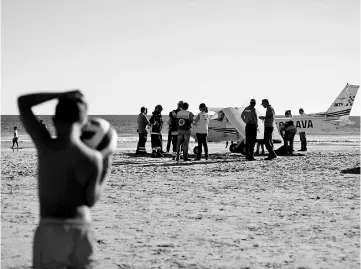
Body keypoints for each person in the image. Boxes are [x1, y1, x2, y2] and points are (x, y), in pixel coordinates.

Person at [18, 90, 114, 268]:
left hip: (51, 229)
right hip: (82, 228)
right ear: (84, 122)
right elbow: (90, 200)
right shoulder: (94, 158)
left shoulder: (46, 145)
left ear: (54, 120)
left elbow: (23, 102)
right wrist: (106, 166)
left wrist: (61, 94)